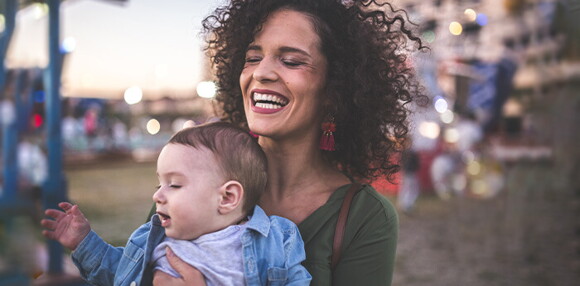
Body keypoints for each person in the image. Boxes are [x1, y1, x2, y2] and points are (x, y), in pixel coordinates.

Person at [156, 1, 427, 285]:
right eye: (252, 58)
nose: (261, 73)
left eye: (292, 61)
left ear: (333, 90)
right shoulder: (187, 178)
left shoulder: (365, 217)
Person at [41, 122, 311, 286]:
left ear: (227, 198)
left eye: (175, 185)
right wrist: (84, 242)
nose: (157, 196)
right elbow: (119, 273)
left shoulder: (276, 239)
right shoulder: (155, 239)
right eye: (159, 184)